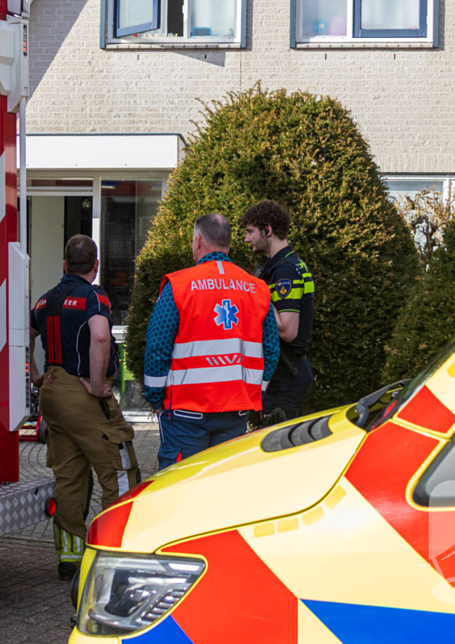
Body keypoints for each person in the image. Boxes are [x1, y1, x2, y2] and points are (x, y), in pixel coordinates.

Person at [29, 235, 140, 581]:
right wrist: (95, 384)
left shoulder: (46, 299)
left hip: (52, 393)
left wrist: (35, 374)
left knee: (69, 478)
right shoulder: (95, 295)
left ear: (65, 265)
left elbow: (22, 334)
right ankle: (117, 554)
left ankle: (70, 560)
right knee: (120, 471)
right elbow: (101, 336)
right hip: (83, 394)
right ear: (95, 267)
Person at [143, 213, 280, 469]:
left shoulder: (179, 285)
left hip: (185, 413)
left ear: (197, 240)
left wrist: (156, 400)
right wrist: (255, 393)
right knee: (224, 490)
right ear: (228, 243)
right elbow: (271, 350)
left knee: (181, 489)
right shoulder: (257, 289)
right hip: (236, 412)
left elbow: (157, 347)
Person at [241, 200, 315, 424]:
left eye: (250, 232)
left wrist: (258, 291)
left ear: (268, 230)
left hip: (285, 378)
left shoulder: (285, 271)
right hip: (286, 374)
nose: (246, 239)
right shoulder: (282, 265)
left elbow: (287, 330)